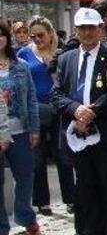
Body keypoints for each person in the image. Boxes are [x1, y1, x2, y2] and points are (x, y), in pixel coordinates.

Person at [54, 8, 107, 235]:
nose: (87, 33)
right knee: (86, 186)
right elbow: (57, 94)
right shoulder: (66, 59)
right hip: (77, 132)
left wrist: (92, 112)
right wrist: (76, 111)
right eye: (82, 28)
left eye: (91, 28)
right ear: (76, 30)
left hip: (105, 131)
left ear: (100, 29)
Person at [19, 16, 74, 216]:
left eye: (41, 35)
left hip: (59, 109)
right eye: (33, 36)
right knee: (38, 159)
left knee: (63, 156)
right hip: (35, 110)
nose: (37, 39)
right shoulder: (24, 53)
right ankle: (42, 201)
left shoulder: (62, 53)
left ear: (50, 34)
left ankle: (70, 198)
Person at [0, 20, 40, 235]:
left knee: (25, 176)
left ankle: (25, 215)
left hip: (21, 130)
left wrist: (34, 128)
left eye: (1, 34)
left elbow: (31, 98)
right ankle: (1, 227)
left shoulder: (21, 65)